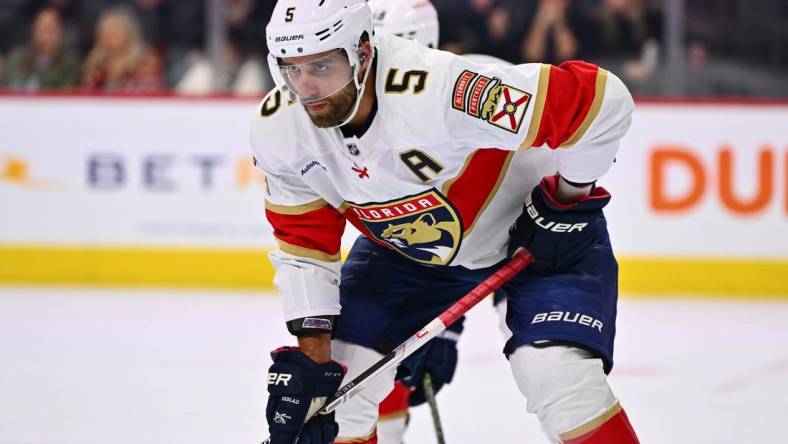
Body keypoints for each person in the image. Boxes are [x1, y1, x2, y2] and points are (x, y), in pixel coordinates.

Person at [252, 1, 638, 443]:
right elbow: (304, 247)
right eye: (290, 69)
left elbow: (603, 102)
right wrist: (314, 363)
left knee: (558, 377)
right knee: (337, 394)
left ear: (362, 52)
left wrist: (567, 201)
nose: (308, 87)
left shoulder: (445, 91)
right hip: (405, 252)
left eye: (322, 65)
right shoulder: (280, 129)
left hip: (541, 237)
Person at [0, 7, 80, 91]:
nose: (47, 36)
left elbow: (66, 93)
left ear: (60, 32)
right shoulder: (17, 59)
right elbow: (4, 86)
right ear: (34, 31)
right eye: (43, 30)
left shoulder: (70, 63)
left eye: (51, 30)